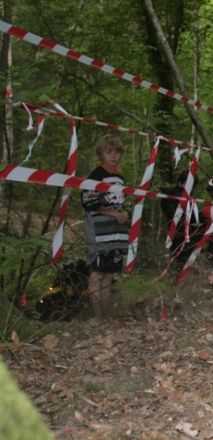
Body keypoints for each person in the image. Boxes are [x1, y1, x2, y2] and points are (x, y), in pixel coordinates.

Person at [80, 134, 130, 312]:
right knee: (97, 272)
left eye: (117, 152)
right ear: (101, 153)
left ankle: (106, 312)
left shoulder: (120, 178)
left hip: (117, 232)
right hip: (99, 232)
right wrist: (112, 213)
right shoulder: (96, 175)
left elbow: (122, 202)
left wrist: (123, 213)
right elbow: (88, 202)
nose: (113, 156)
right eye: (109, 152)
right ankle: (97, 314)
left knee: (110, 273)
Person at [160, 170, 204, 264]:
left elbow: (195, 217)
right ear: (180, 183)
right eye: (187, 184)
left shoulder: (189, 199)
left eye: (192, 185)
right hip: (177, 236)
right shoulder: (172, 197)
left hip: (189, 237)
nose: (189, 187)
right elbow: (173, 215)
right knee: (178, 263)